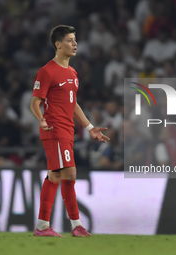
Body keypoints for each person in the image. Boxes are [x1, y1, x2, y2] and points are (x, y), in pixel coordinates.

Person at [30, 25, 110, 237]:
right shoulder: (47, 71)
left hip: (68, 130)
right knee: (67, 174)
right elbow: (35, 103)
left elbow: (72, 103)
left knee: (57, 175)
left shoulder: (73, 73)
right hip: (54, 129)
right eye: (69, 40)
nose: (75, 44)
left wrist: (90, 127)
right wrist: (42, 120)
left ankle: (47, 226)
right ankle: (72, 226)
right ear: (58, 44)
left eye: (75, 40)